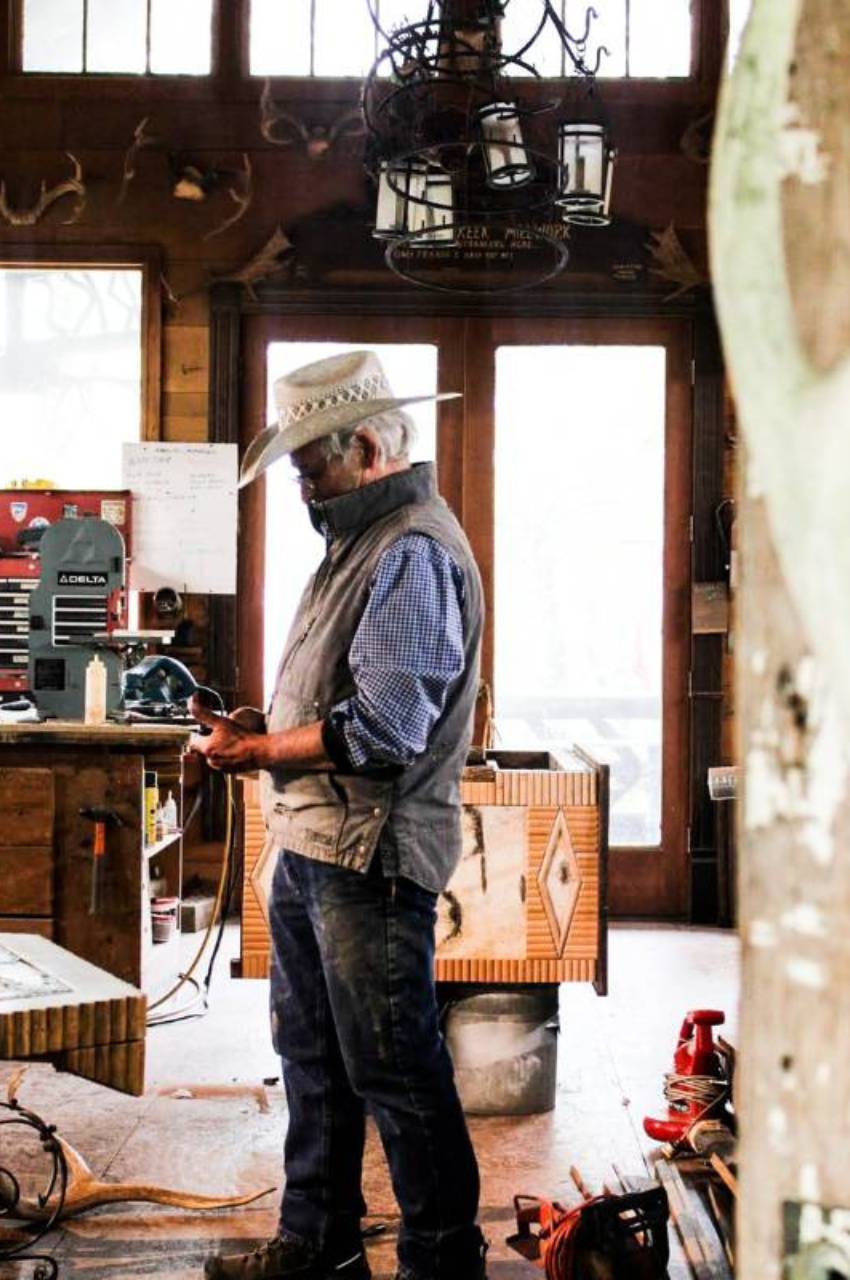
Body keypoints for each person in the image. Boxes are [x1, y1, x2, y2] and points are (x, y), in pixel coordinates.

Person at [192, 351, 487, 1280]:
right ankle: (317, 1244)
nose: (302, 486)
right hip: (319, 844)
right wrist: (266, 728)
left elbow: (386, 728)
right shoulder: (361, 539)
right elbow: (341, 699)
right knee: (313, 1054)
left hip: (370, 856)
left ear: (364, 447)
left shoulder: (409, 548)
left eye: (310, 465)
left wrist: (256, 754)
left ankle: (444, 1263)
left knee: (394, 1069)